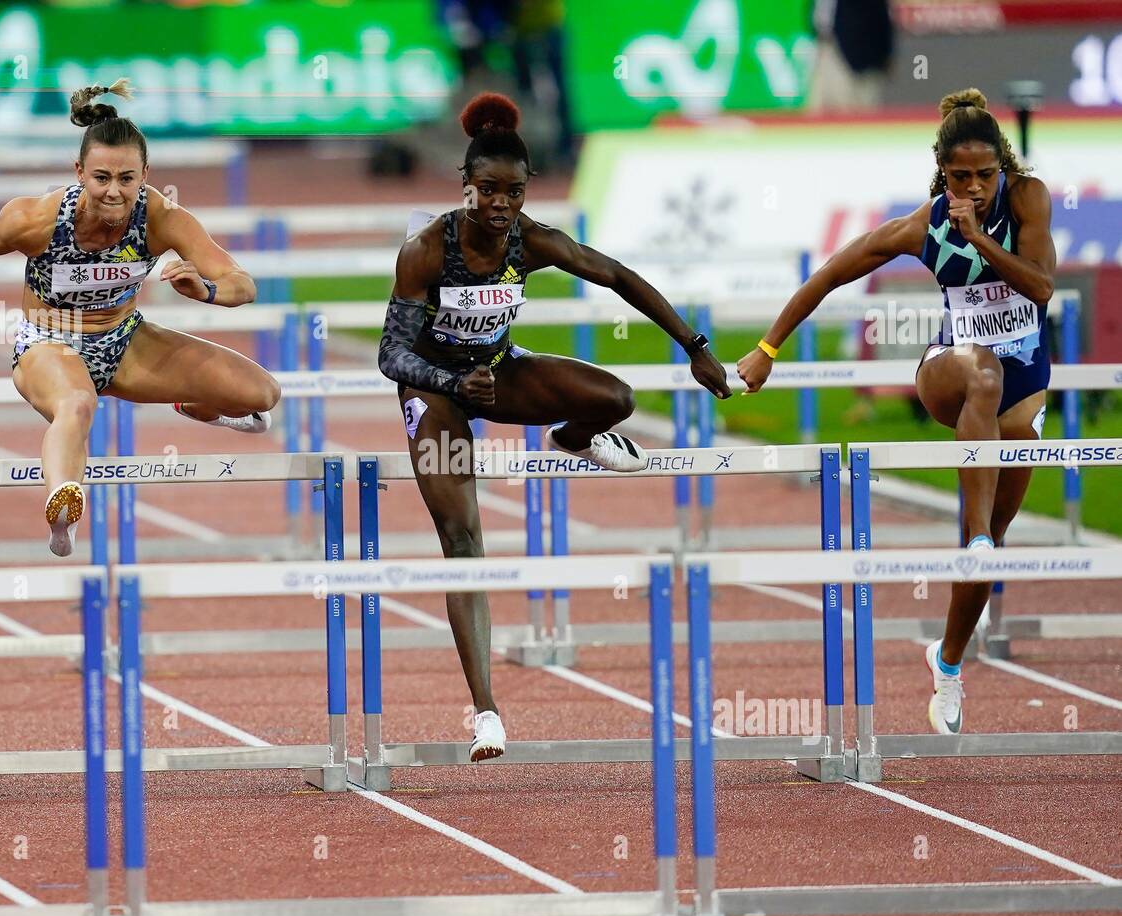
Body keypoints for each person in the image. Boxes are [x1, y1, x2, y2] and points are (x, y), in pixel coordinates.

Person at [378, 92, 731, 761]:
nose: (501, 205)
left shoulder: (532, 241)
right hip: (436, 390)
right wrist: (451, 382)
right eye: (488, 191)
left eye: (513, 191)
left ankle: (573, 437)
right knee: (462, 533)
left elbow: (617, 276)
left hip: (498, 370)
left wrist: (693, 345)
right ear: (465, 188)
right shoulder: (427, 250)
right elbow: (389, 354)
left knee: (616, 397)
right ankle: (486, 713)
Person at [738, 88, 1055, 736]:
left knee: (993, 539)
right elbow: (831, 272)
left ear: (1004, 169)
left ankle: (947, 660)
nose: (974, 188)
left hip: (1027, 377)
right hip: (953, 368)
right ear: (943, 174)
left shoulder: (1028, 199)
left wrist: (982, 240)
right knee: (982, 376)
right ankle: (973, 539)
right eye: (960, 177)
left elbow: (1041, 286)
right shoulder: (923, 226)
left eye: (985, 176)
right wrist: (768, 348)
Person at [0, 79, 279, 557]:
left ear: (145, 174)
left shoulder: (164, 217)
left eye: (126, 179)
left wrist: (205, 289)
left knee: (262, 394)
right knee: (78, 405)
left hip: (124, 341)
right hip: (48, 342)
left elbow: (241, 284)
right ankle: (64, 505)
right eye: (101, 178)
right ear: (79, 171)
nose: (113, 192)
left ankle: (192, 403)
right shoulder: (36, 219)